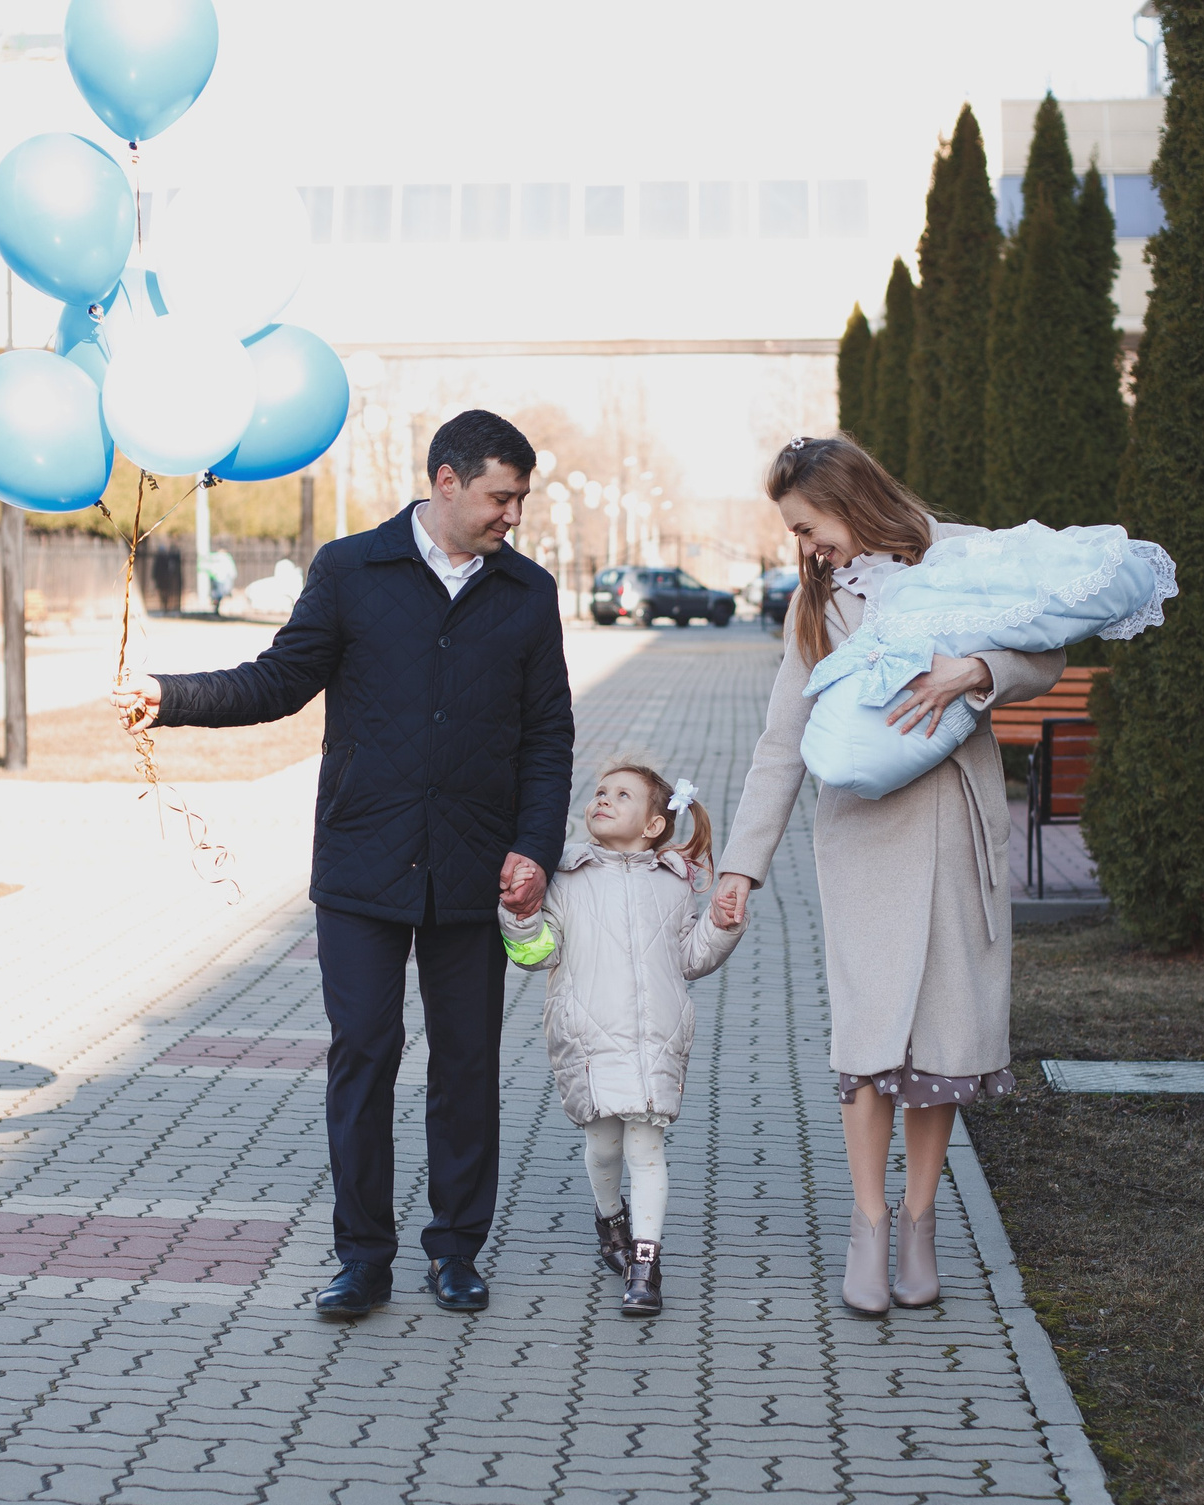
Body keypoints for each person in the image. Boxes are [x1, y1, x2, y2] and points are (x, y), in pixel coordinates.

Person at [111, 410, 573, 1321]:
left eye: (519, 498)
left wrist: (535, 845)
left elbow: (548, 737)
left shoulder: (527, 591)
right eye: (499, 496)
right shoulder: (352, 570)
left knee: (467, 1062)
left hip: (475, 871)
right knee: (364, 1053)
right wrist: (170, 698)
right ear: (446, 481)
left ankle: (456, 1250)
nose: (512, 514)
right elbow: (278, 680)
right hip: (364, 859)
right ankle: (362, 1255)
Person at [708, 437, 1065, 1315]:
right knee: (868, 1045)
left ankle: (919, 1221)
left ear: (849, 497)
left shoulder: (961, 553)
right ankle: (866, 1227)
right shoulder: (818, 603)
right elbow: (782, 742)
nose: (806, 546)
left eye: (808, 526)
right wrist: (741, 868)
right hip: (863, 844)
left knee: (942, 1043)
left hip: (953, 830)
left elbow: (1048, 649)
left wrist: (978, 670)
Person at [499, 760, 742, 1317]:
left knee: (645, 1147)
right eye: (600, 792)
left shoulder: (673, 882)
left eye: (622, 795)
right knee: (605, 1145)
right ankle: (611, 1219)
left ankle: (645, 1262)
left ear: (654, 825)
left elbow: (690, 957)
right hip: (587, 1035)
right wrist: (519, 918)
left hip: (655, 1035)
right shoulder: (564, 875)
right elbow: (540, 956)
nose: (602, 800)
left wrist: (721, 926)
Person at [148, 538, 183, 615]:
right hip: (161, 580)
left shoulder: (167, 559)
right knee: (162, 593)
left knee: (166, 593)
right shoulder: (159, 561)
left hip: (166, 580)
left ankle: (166, 607)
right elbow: (155, 570)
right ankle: (164, 606)